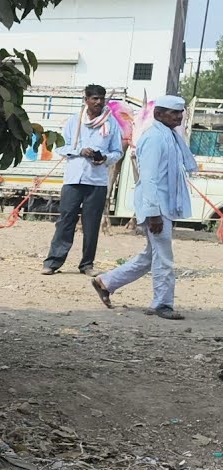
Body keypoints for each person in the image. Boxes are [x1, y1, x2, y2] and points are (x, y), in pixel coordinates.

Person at [91, 95, 196, 321]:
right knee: (164, 257)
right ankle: (162, 304)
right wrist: (153, 213)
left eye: (180, 112)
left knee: (151, 256)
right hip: (156, 207)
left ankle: (105, 282)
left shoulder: (169, 136)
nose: (178, 116)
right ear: (159, 114)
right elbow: (148, 179)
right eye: (173, 113)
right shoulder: (155, 138)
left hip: (165, 206)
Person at [42, 84, 124, 276]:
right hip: (74, 179)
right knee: (65, 220)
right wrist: (80, 151)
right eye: (94, 98)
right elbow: (60, 148)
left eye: (101, 99)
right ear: (85, 100)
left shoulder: (111, 124)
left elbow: (117, 152)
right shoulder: (74, 121)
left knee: (92, 224)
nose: (98, 102)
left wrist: (104, 158)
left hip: (97, 181)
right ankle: (53, 262)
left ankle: (87, 264)